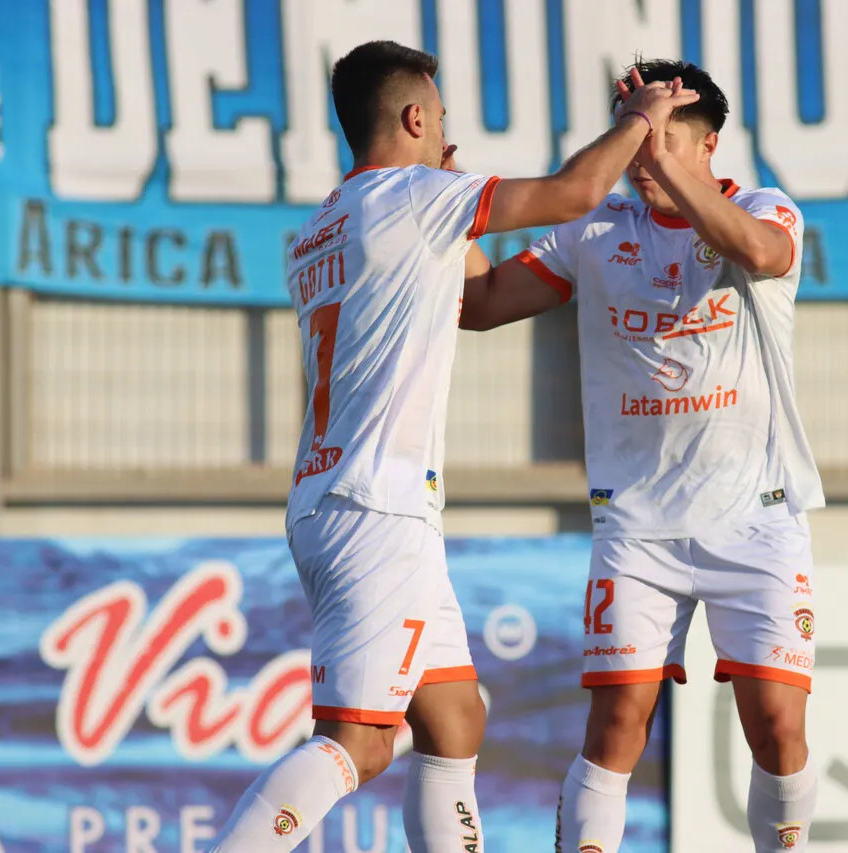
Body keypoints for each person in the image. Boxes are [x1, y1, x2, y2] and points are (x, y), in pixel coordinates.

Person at [205, 41, 698, 853]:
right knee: (358, 742)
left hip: (342, 498)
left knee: (456, 715)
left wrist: (448, 195)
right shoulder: (415, 196)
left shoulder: (321, 224)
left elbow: (468, 288)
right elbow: (577, 191)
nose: (445, 138)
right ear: (414, 118)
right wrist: (639, 120)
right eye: (440, 122)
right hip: (378, 507)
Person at [458, 60, 824, 853]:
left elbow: (760, 255)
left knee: (777, 724)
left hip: (755, 521)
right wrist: (441, 211)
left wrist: (656, 158)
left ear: (710, 145)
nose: (644, 161)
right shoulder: (593, 234)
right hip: (638, 528)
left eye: (664, 142)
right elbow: (481, 307)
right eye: (635, 143)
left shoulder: (765, 208)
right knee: (618, 723)